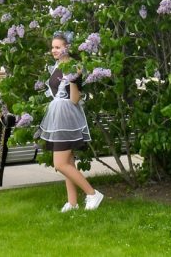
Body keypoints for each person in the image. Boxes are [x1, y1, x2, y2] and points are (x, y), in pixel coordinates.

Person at [36, 32, 103, 212]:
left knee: (60, 164)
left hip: (67, 117)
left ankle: (92, 194)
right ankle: (72, 202)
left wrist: (73, 79)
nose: (54, 50)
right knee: (68, 162)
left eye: (58, 47)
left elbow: (74, 99)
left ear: (67, 47)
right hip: (57, 116)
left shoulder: (75, 67)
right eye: (52, 47)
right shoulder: (57, 66)